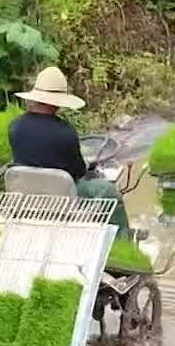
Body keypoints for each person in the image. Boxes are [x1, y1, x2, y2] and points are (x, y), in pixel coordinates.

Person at [8, 66, 132, 239]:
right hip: (61, 195)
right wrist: (88, 165)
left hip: (27, 194)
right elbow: (78, 172)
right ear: (57, 102)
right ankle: (124, 245)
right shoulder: (65, 132)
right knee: (108, 191)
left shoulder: (15, 126)